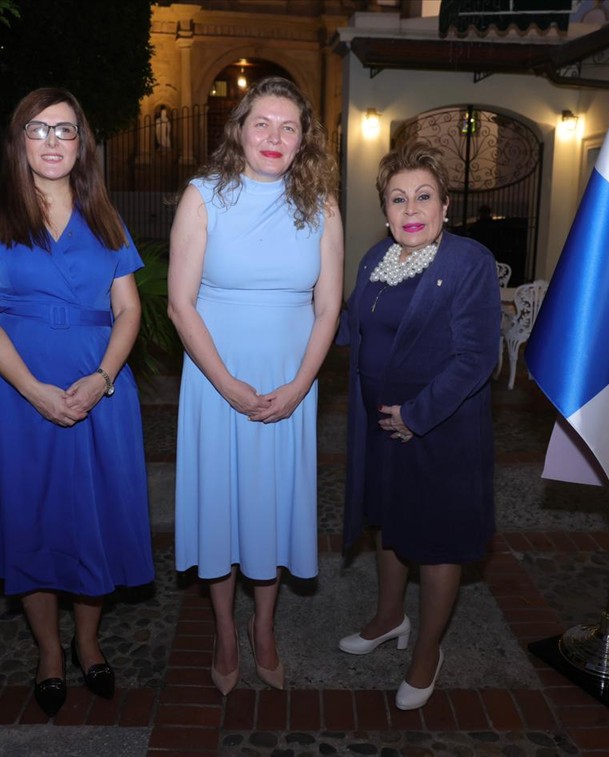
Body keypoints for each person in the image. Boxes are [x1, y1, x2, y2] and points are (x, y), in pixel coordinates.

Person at [0, 87, 154, 717]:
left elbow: (129, 309)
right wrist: (32, 390)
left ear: (81, 143)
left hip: (100, 392)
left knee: (93, 518)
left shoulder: (106, 216)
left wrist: (102, 378)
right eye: (38, 129)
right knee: (32, 520)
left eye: (64, 130)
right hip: (15, 393)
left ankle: (88, 642)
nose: (51, 141)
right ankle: (48, 650)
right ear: (19, 141)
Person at [168, 76, 343, 695]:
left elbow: (329, 307)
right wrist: (227, 385)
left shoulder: (321, 204)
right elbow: (180, 305)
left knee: (271, 506)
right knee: (220, 506)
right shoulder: (203, 196)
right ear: (239, 130)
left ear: (303, 140)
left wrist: (299, 386)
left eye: (288, 127)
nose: (274, 136)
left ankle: (263, 627)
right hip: (215, 380)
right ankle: (223, 629)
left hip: (290, 382)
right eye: (262, 123)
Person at [338, 141, 500, 710]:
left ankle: (428, 651)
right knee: (388, 524)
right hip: (379, 427)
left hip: (439, 429)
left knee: (436, 543)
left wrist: (417, 415)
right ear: (384, 210)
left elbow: (477, 357)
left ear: (445, 205)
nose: (411, 209)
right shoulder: (375, 260)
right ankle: (389, 618)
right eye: (398, 198)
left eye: (424, 196)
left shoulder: (467, 262)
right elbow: (349, 327)